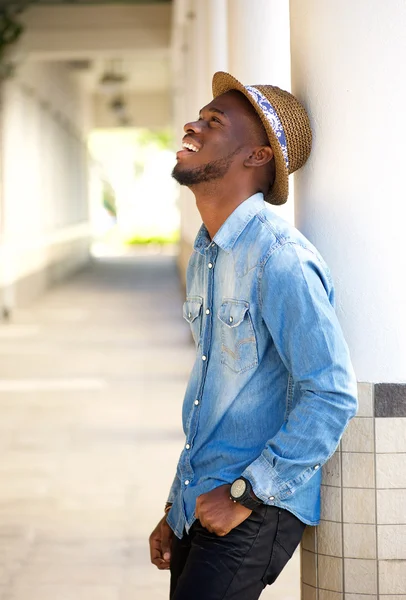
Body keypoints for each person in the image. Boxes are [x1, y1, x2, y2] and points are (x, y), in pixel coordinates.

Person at [149, 71, 358, 600]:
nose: (191, 125)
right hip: (202, 498)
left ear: (257, 156)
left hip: (251, 506)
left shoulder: (280, 259)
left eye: (213, 121)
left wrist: (246, 494)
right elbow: (212, 398)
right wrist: (175, 507)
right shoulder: (208, 256)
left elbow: (331, 392)